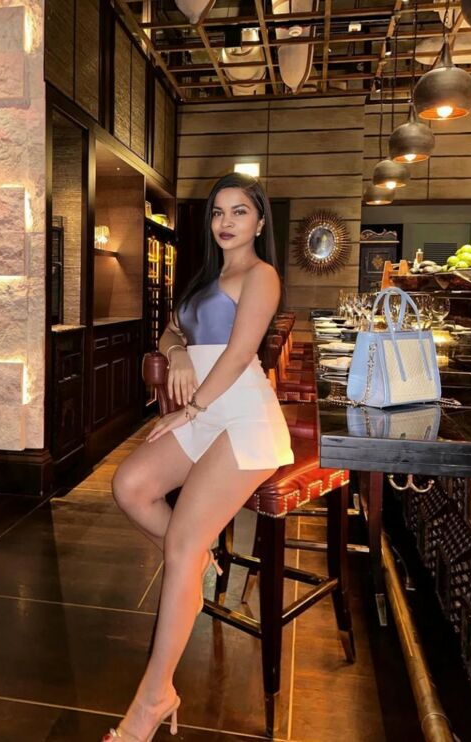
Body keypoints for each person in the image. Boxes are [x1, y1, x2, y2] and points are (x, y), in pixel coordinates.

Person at [102, 173, 295, 741]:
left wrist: (190, 409)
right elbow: (166, 333)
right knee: (130, 485)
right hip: (206, 411)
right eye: (218, 212)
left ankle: (154, 697)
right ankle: (195, 558)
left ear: (259, 221)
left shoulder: (262, 275)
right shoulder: (204, 278)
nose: (226, 222)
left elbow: (238, 354)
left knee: (182, 545)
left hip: (243, 416)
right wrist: (180, 352)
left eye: (239, 211)